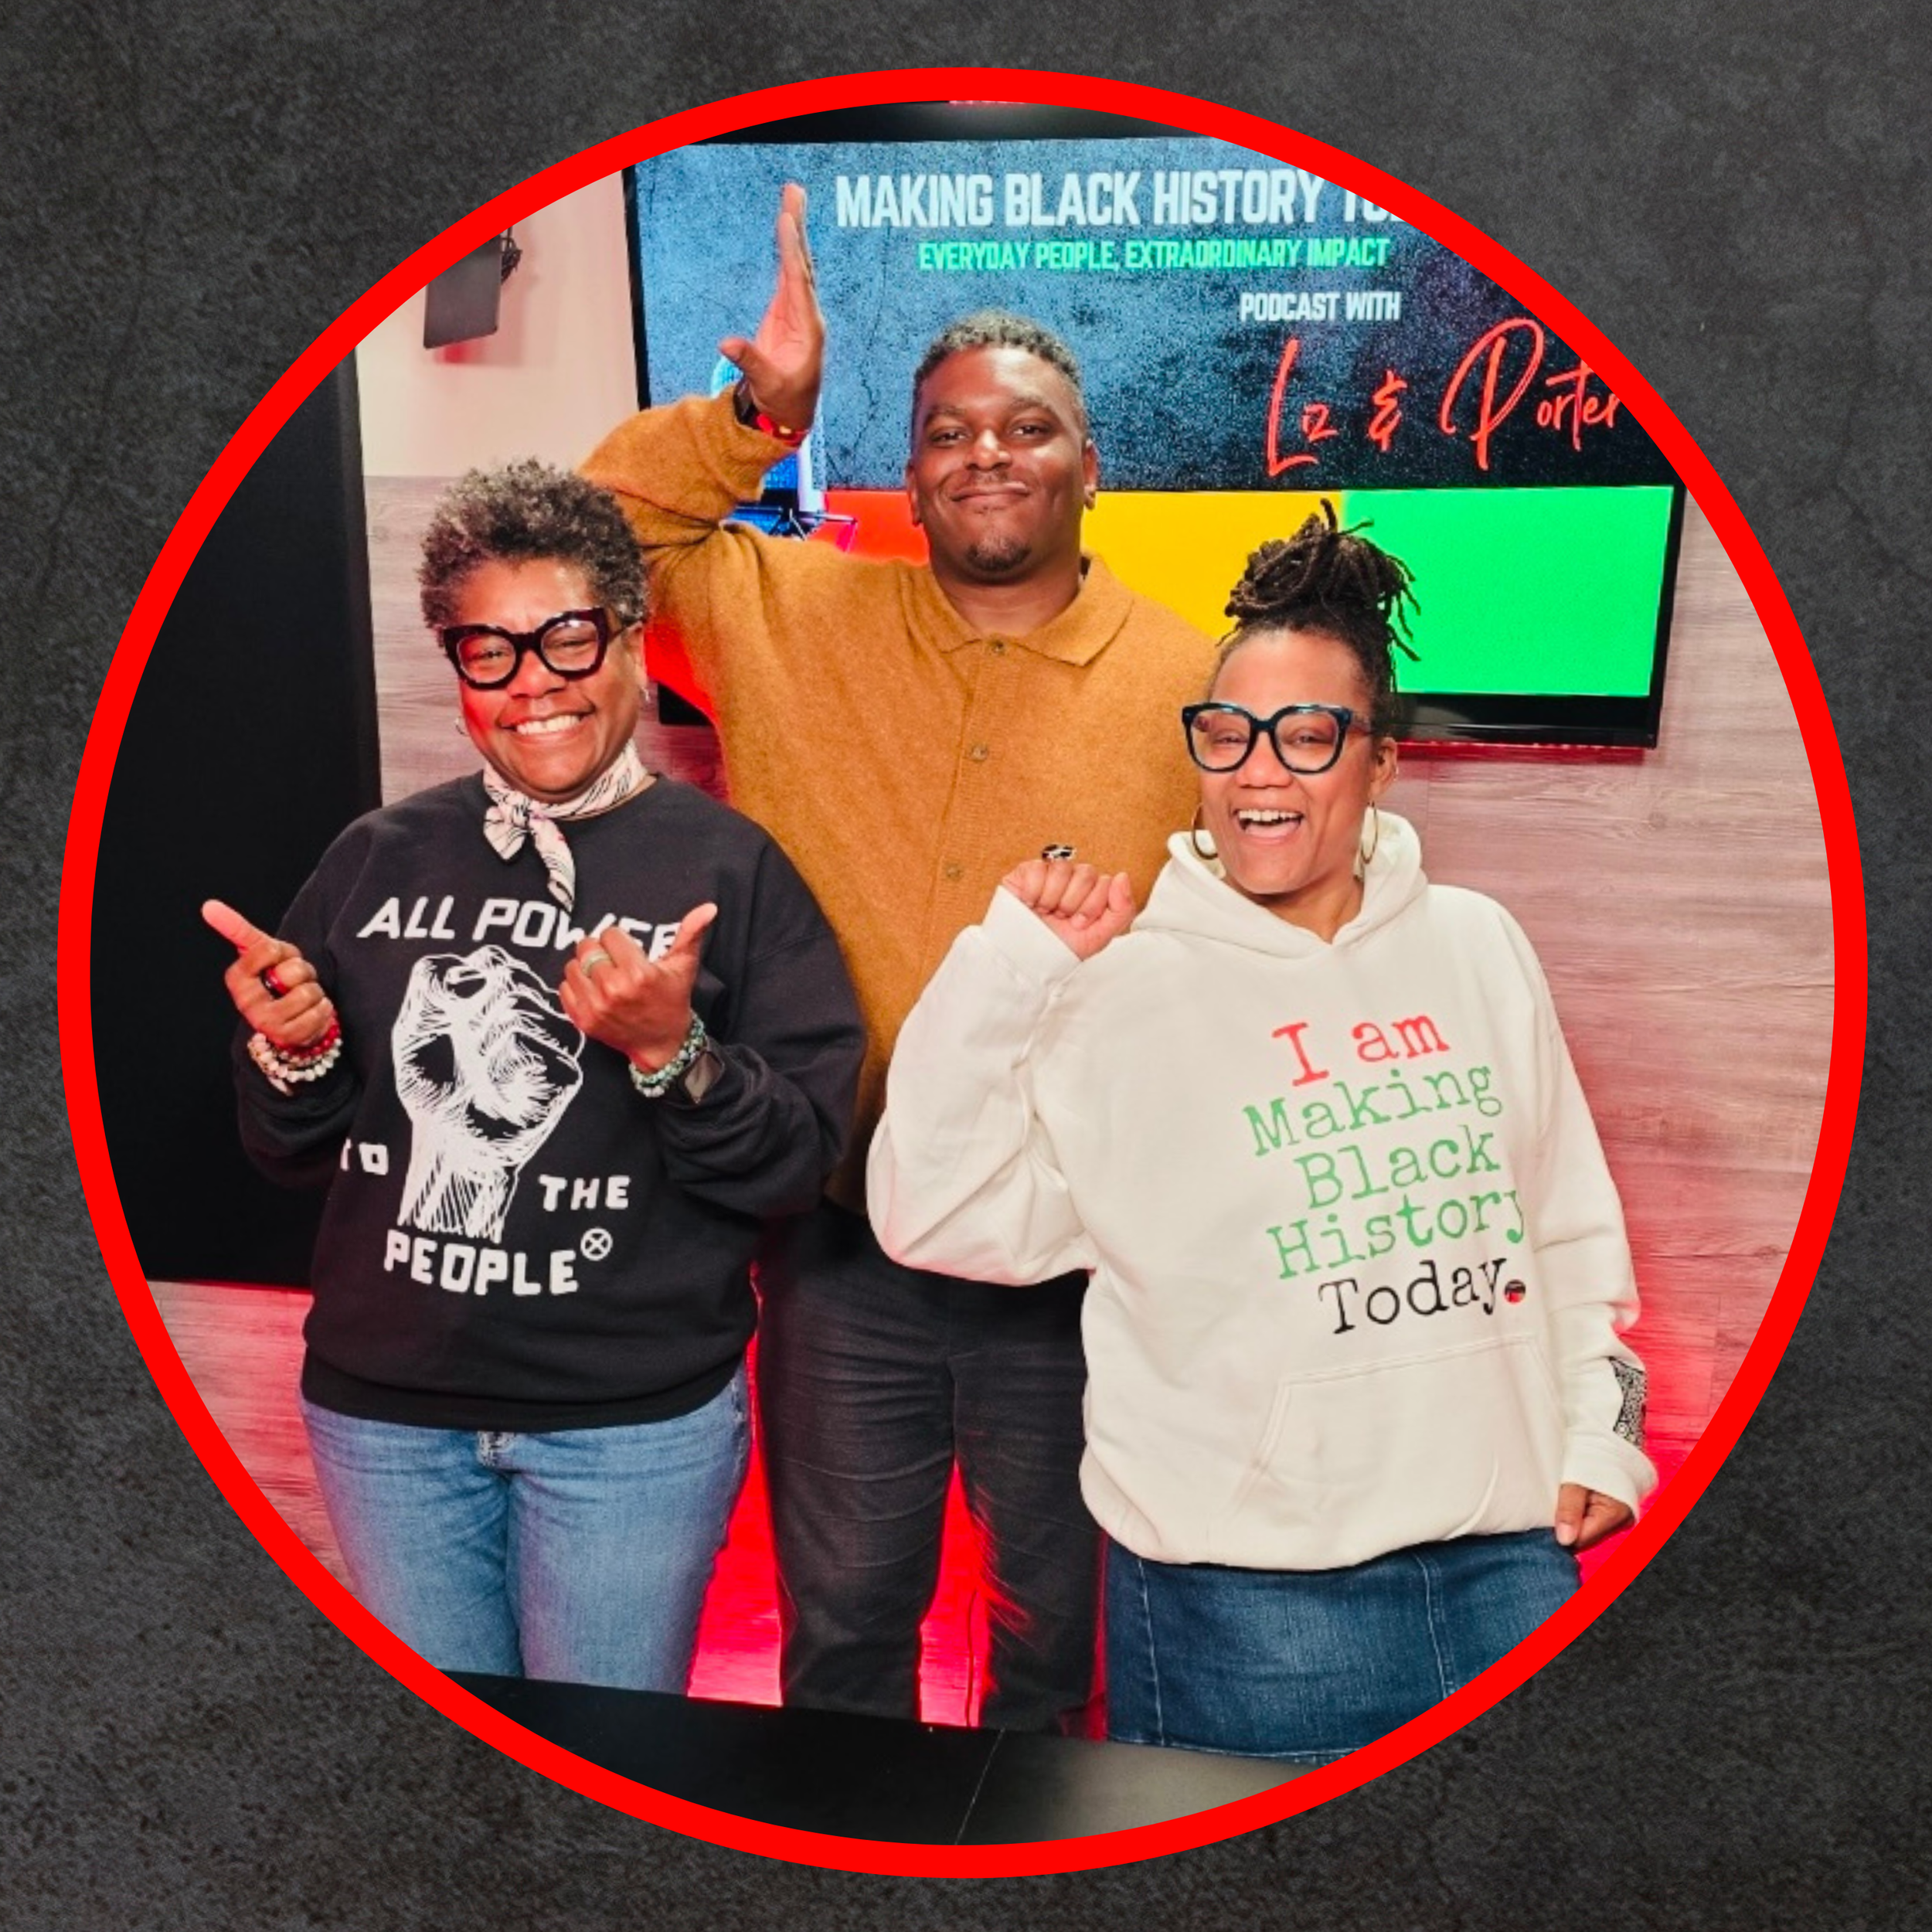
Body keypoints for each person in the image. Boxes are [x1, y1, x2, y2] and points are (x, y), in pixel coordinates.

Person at [868, 505, 1656, 1761]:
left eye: (1308, 735)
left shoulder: (1476, 943)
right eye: (1228, 734)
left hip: (1512, 1565)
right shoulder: (1117, 993)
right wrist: (1006, 968)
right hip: (1247, 1596)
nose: (1259, 771)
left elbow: (1565, 1220)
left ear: (1380, 760)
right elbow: (931, 1212)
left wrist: (1606, 1431)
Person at [582, 185, 1214, 1732]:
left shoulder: (1195, 677)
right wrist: (752, 413)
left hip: (1073, 1261)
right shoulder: (782, 610)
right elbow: (585, 546)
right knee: (848, 1621)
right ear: (904, 474)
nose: (983, 454)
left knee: (1056, 1632)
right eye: (945, 432)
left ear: (1092, 468)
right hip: (837, 1238)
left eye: (1025, 430)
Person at [205, 461, 863, 1694]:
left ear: (628, 639)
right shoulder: (374, 857)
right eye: (488, 652)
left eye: (565, 637)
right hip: (383, 1420)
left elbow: (796, 1163)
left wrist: (674, 1053)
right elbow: (292, 1150)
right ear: (457, 674)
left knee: (607, 1784)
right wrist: (297, 1054)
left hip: (630, 1429)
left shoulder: (729, 867)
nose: (533, 686)